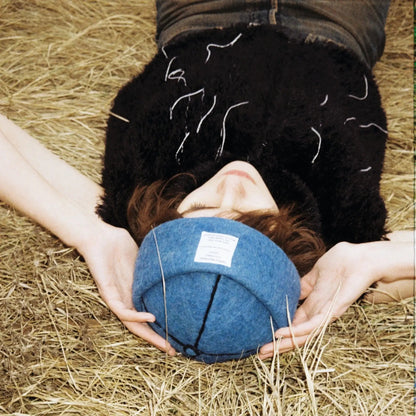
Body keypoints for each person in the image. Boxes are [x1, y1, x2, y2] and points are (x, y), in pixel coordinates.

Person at [0, 0, 413, 360]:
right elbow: (368, 267)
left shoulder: (141, 210)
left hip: (201, 15)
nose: (231, 186)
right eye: (253, 219)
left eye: (201, 208)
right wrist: (372, 258)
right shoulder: (327, 266)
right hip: (335, 23)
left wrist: (89, 234)